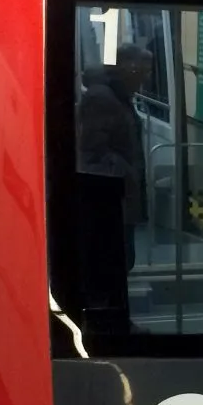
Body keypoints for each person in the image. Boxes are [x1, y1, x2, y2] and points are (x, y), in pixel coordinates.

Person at [76, 43, 153, 272]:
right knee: (113, 263)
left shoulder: (118, 96)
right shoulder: (102, 98)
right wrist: (127, 176)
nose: (144, 80)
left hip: (119, 196)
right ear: (128, 69)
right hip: (111, 199)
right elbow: (93, 152)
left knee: (121, 260)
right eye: (142, 73)